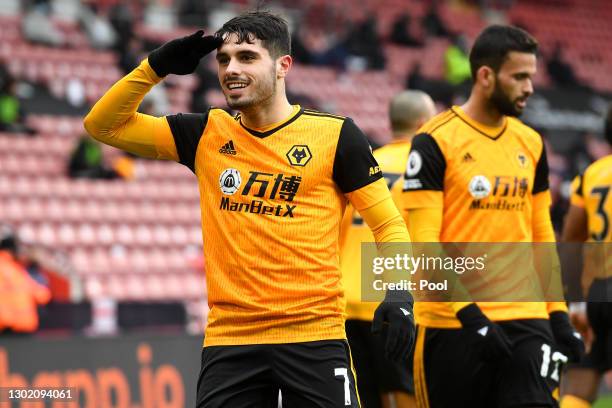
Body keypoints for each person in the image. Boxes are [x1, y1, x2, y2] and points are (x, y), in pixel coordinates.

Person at [84, 11, 415, 407]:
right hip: (231, 341)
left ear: (282, 65)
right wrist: (155, 66)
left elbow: (388, 224)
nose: (231, 69)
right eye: (223, 59)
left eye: (246, 57)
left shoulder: (336, 135)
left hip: (314, 336)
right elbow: (102, 125)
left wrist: (399, 292)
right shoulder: (206, 132)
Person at [401, 25, 584, 407]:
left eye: (531, 77)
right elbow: (424, 244)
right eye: (519, 76)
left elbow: (541, 235)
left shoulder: (531, 143)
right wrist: (471, 317)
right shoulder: (435, 141)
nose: (530, 87)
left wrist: (559, 315)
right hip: (453, 322)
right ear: (485, 76)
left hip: (526, 318)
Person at [340, 90, 435, 408]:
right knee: (409, 392)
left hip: (348, 300)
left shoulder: (364, 163)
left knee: (363, 396)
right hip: (397, 299)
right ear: (423, 123)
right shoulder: (428, 168)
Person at [559, 105, 612, 408]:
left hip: (598, 292)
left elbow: (572, 241)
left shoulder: (593, 174)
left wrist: (576, 302)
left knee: (580, 383)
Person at [0, 225, 51, 334]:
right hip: (17, 325)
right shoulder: (15, 270)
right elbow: (43, 296)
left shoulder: (14, 268)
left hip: (8, 324)